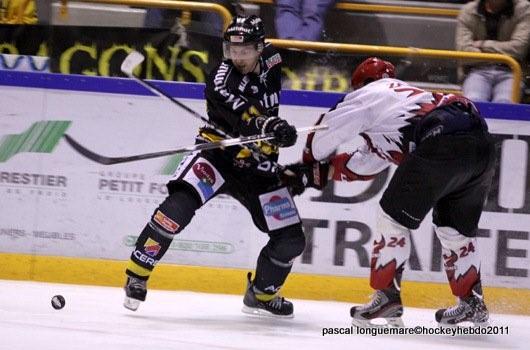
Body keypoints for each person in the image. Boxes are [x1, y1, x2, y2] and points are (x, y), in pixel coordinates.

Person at [287, 57, 495, 327]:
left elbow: (324, 134)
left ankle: (387, 298)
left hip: (442, 139)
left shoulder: (371, 93)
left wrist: (305, 165)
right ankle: (472, 303)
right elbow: (365, 164)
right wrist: (319, 173)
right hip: (481, 145)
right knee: (454, 230)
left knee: (392, 217)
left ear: (362, 85)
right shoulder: (400, 105)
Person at [123, 15, 304, 319]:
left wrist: (278, 134)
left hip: (258, 165)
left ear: (260, 47)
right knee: (175, 210)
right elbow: (248, 116)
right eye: (231, 51)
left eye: (244, 50)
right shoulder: (220, 79)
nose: (237, 57)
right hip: (217, 155)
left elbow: (265, 107)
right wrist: (270, 125)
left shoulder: (273, 58)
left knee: (291, 237)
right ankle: (138, 273)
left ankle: (261, 294)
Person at [456, 0, 530, 103]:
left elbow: (518, 49)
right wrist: (503, 52)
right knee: (474, 101)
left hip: (513, 72)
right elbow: (463, 52)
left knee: (504, 103)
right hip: (476, 71)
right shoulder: (469, 10)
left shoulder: (524, 8)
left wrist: (483, 45)